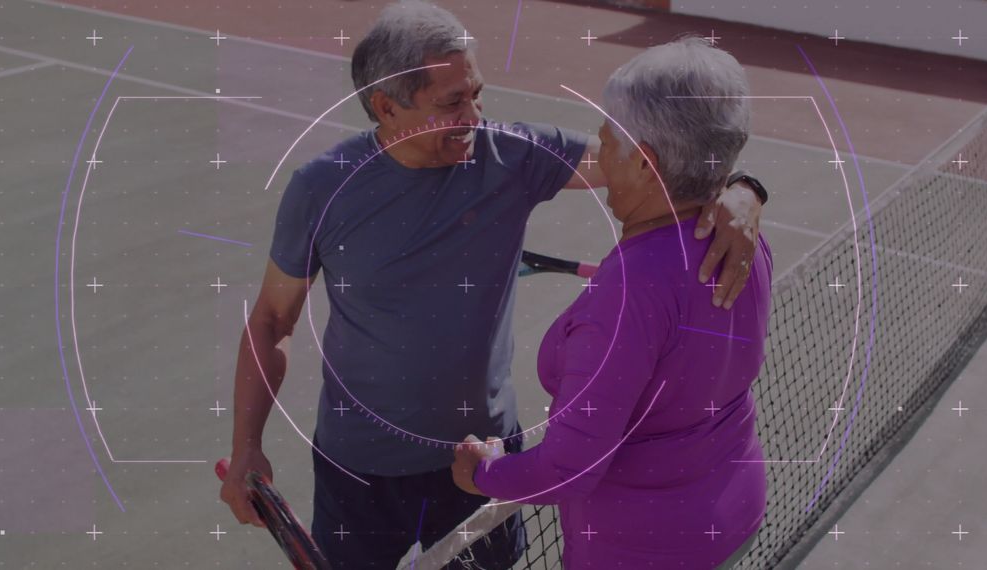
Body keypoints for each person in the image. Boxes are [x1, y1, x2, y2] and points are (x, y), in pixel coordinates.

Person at [220, 1, 767, 567]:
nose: (475, 115)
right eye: (452, 101)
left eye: (477, 93)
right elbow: (271, 321)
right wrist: (247, 447)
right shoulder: (320, 190)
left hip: (482, 464)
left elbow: (657, 161)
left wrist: (744, 188)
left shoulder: (512, 155)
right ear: (386, 106)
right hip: (358, 473)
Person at [453, 37, 771, 569]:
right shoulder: (743, 238)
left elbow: (570, 470)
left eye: (608, 145)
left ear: (646, 164)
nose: (600, 163)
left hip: (643, 550)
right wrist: (748, 187)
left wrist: (483, 472)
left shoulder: (629, 291)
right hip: (734, 519)